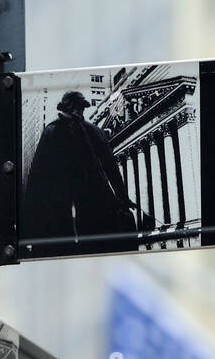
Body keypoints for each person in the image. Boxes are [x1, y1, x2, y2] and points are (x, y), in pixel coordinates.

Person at [21, 90, 142, 256]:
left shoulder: (91, 131)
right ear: (67, 107)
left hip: (90, 199)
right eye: (76, 107)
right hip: (63, 202)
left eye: (81, 108)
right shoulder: (53, 131)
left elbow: (111, 167)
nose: (79, 111)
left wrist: (123, 197)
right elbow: (38, 174)